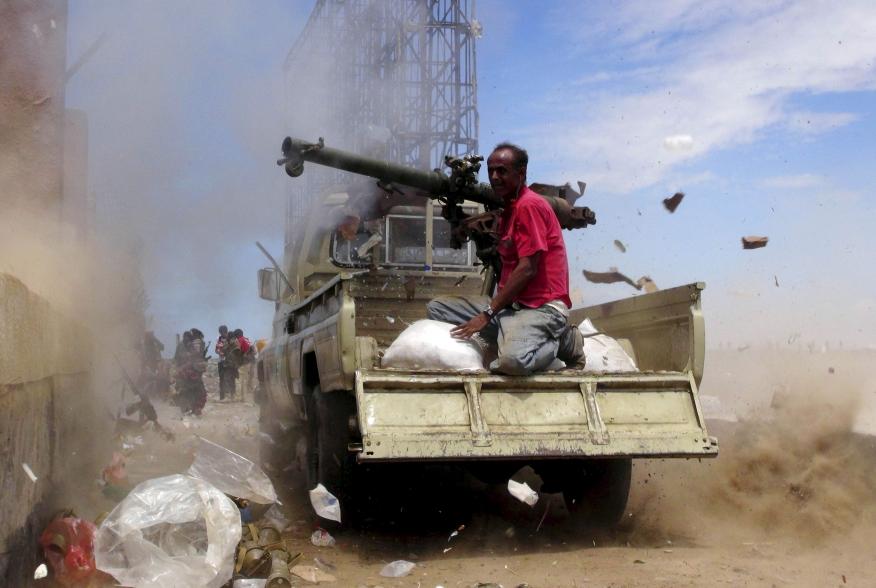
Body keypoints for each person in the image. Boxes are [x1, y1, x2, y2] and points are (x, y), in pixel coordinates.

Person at [426, 142, 584, 375]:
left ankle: (560, 341)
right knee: (437, 308)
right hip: (511, 308)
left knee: (511, 362)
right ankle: (511, 334)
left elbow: (528, 268)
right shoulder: (510, 209)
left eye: (502, 170)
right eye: (490, 171)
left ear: (521, 174)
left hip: (541, 308)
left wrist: (487, 314)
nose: (494, 177)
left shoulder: (529, 206)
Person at [216, 325, 233, 400]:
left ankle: (231, 396)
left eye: (223, 332)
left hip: (229, 362)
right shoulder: (219, 339)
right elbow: (216, 349)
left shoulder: (231, 338)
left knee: (230, 378)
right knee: (222, 379)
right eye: (221, 333)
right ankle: (222, 397)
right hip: (221, 361)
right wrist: (219, 352)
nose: (222, 334)